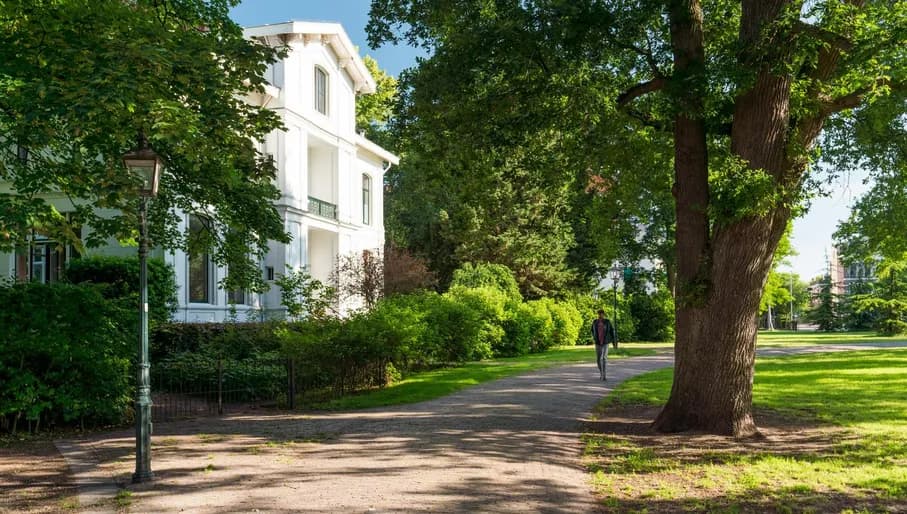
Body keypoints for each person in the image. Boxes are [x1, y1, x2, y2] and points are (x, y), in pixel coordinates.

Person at [591, 309, 616, 381]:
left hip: (605, 342)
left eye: (601, 314)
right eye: (599, 314)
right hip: (598, 343)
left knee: (604, 358)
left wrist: (613, 342)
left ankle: (604, 374)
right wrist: (595, 337)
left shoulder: (607, 322)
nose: (600, 315)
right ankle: (601, 373)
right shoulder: (595, 322)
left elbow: (611, 331)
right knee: (598, 359)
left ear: (603, 314)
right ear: (598, 314)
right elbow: (592, 330)